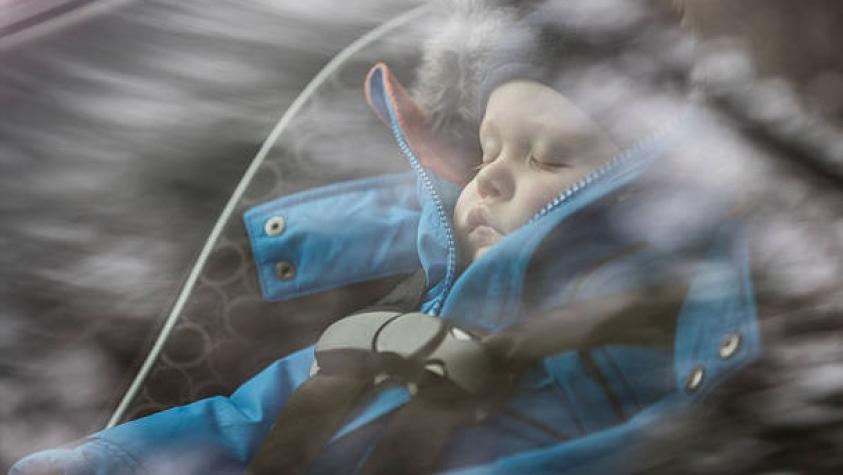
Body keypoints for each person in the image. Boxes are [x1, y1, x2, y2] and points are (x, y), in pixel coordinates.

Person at [10, 1, 763, 474]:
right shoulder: (409, 318)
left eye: (547, 159)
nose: (491, 180)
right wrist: (104, 461)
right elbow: (243, 421)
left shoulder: (619, 344)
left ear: (630, 188)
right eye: (487, 151)